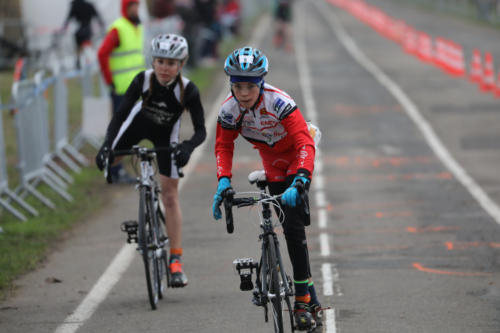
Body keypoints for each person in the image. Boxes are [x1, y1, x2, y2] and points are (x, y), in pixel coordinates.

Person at [212, 47, 322, 331]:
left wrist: (300, 179)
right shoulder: (229, 110)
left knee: (293, 227)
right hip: (271, 161)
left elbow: (304, 143)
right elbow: (223, 146)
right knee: (274, 221)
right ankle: (297, 281)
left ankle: (301, 300)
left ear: (261, 83)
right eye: (238, 86)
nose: (244, 92)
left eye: (250, 86)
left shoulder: (279, 103)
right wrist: (223, 179)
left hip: (296, 155)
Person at [95, 33, 207, 287]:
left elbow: (201, 130)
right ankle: (143, 201)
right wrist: (105, 148)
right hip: (137, 126)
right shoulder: (142, 80)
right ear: (153, 61)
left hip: (167, 136)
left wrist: (188, 148)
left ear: (181, 64)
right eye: (160, 61)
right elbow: (120, 115)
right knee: (113, 158)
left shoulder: (187, 90)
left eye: (171, 63)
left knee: (169, 194)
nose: (164, 68)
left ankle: (175, 261)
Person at [97, 0, 145, 184]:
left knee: (128, 130)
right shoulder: (119, 29)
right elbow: (102, 53)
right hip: (121, 90)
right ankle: (115, 170)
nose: (136, 9)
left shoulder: (136, 27)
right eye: (132, 6)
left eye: (137, 5)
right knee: (119, 132)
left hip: (134, 88)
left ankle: (116, 170)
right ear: (125, 8)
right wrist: (110, 80)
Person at [62, 0, 105, 68]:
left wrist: (64, 28)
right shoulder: (89, 5)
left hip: (79, 31)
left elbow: (68, 18)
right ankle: (89, 61)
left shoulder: (74, 6)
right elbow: (98, 16)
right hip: (88, 30)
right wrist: (101, 25)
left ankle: (79, 62)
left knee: (79, 47)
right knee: (87, 46)